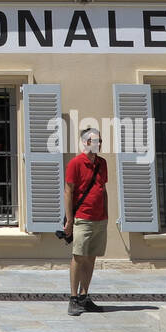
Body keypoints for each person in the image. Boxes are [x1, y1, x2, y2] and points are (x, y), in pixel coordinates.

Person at [64, 127, 109, 316]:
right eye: (94, 140)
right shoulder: (75, 163)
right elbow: (68, 191)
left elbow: (103, 189)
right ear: (85, 142)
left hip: (100, 219)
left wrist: (106, 213)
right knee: (78, 256)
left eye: (100, 140)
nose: (98, 143)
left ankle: (84, 296)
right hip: (82, 218)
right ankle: (73, 298)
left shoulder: (102, 163)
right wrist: (69, 219)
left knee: (91, 257)